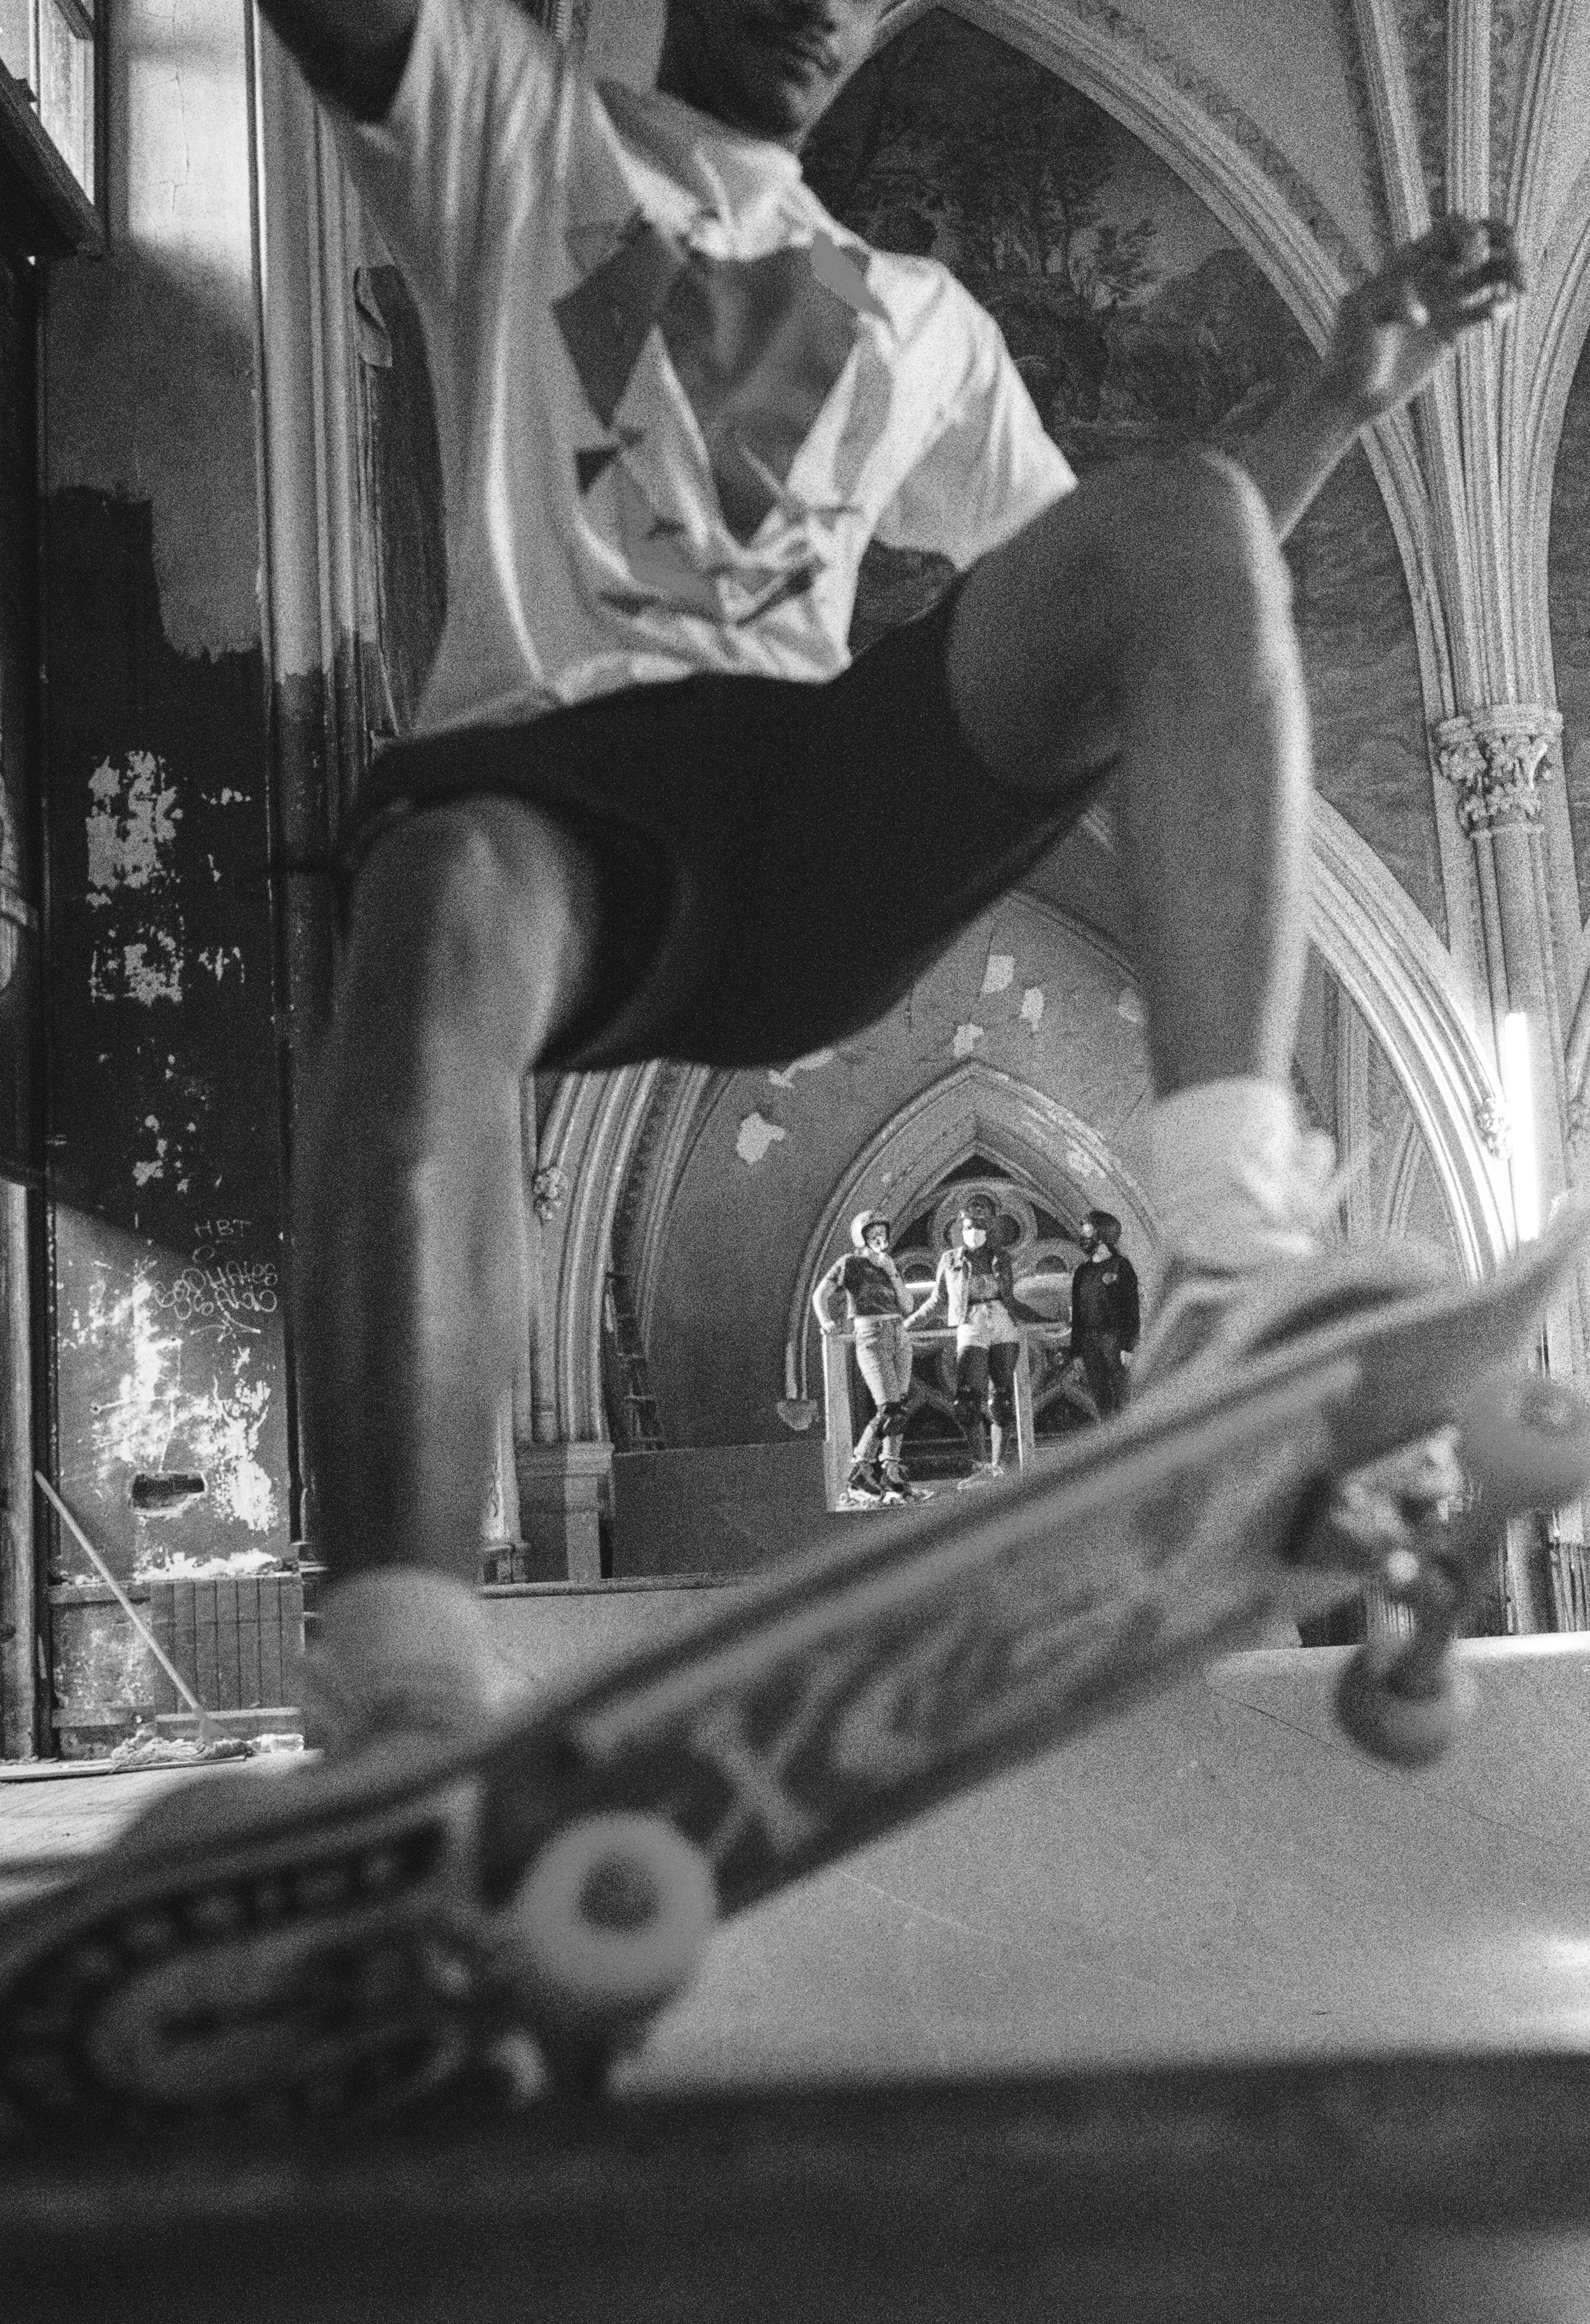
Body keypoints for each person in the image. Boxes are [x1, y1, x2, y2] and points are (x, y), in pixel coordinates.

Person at [110, 1, 1520, 1796]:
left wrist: (1338, 390)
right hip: (557, 806)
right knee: (436, 886)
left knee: (1185, 512)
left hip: (805, 813)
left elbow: (1156, 600)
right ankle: (400, 1673)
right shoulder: (522, 130)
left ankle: (1231, 1268)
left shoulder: (913, 320)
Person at [904, 1198, 1047, 1478]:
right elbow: (938, 1300)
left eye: (981, 1227)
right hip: (971, 1322)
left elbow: (1011, 1299)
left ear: (990, 1229)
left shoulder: (1001, 1258)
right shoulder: (951, 1259)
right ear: (961, 1228)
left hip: (1002, 1322)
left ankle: (998, 1465)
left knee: (1002, 1400)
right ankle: (980, 1465)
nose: (975, 1232)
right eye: (970, 1227)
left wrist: (1043, 1320)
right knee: (967, 1400)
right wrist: (908, 1324)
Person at [812, 1209, 919, 1501]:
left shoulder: (889, 1265)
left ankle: (891, 1472)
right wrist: (826, 1321)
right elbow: (820, 1294)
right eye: (873, 1234)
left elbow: (908, 1305)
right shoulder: (850, 1263)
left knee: (899, 1408)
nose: (879, 1238)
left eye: (883, 1233)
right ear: (862, 1237)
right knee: (889, 1409)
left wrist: (892, 1271)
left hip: (899, 1334)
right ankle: (860, 1469)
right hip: (872, 1335)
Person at [1068, 1210, 1140, 1419]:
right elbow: (1078, 1314)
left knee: (1122, 1393)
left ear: (1102, 1236)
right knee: (1100, 1396)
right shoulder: (1082, 1272)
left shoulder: (1121, 1266)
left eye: (1087, 1233)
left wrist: (1128, 1346)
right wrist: (1076, 1351)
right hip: (1088, 1341)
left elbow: (1131, 1308)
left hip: (1114, 1339)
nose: (1083, 1238)